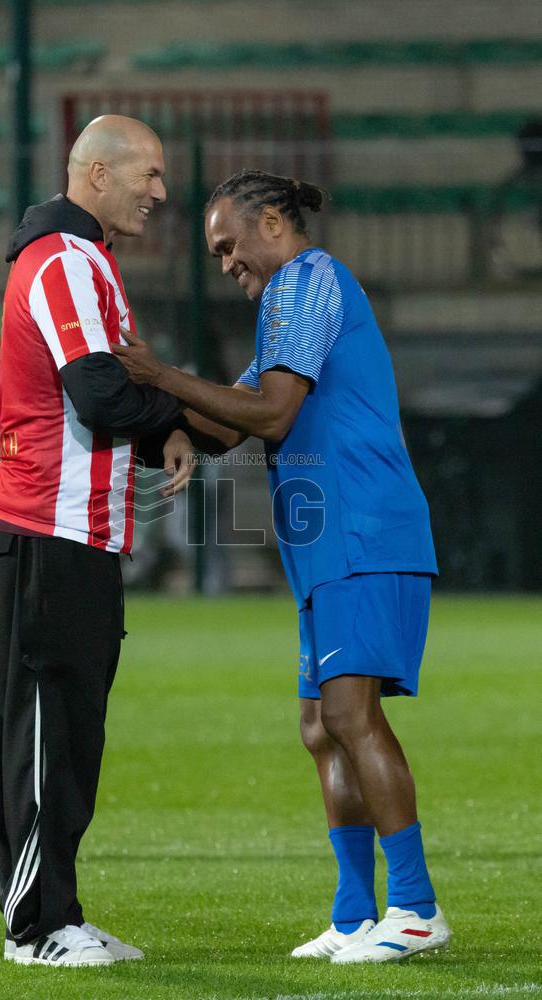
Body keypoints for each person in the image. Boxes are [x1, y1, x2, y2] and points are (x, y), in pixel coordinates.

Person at [114, 168, 452, 965]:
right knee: (320, 728)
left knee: (349, 716)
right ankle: (354, 913)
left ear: (273, 222)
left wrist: (159, 375)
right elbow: (229, 427)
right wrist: (150, 419)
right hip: (326, 544)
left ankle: (416, 907)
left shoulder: (308, 283)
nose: (225, 263)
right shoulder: (281, 311)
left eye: (229, 245)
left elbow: (270, 414)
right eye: (216, 253)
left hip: (365, 531)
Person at [0, 115, 194, 968]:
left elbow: (114, 388)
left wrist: (165, 425)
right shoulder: (64, 262)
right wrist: (179, 420)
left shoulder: (87, 259)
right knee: (42, 729)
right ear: (96, 175)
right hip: (42, 531)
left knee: (71, 732)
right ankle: (34, 929)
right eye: (150, 174)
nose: (161, 192)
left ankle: (58, 910)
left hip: (81, 535)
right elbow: (101, 396)